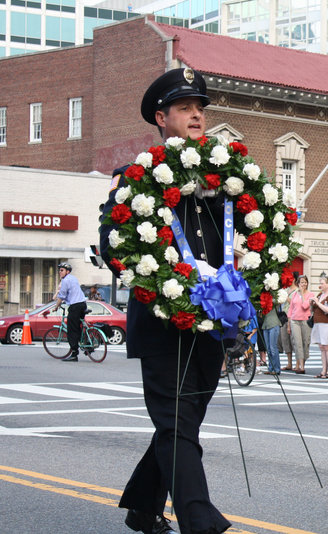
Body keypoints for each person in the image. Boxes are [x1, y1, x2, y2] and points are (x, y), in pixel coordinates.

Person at [99, 68, 230, 534]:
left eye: (200, 107)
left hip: (211, 323)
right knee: (176, 421)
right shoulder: (134, 179)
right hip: (160, 323)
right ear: (161, 116)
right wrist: (164, 285)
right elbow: (115, 247)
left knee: (183, 422)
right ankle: (200, 518)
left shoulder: (225, 181)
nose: (196, 114)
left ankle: (142, 505)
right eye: (184, 108)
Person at [53, 262, 88, 362]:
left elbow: (61, 296)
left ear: (67, 271)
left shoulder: (65, 281)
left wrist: (56, 307)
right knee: (78, 326)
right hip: (82, 303)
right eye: (59, 270)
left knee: (71, 330)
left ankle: (74, 354)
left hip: (75, 306)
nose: (60, 272)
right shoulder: (73, 278)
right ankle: (86, 345)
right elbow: (72, 292)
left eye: (62, 270)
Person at [309, 275, 328, 379]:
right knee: (322, 347)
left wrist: (317, 303)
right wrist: (312, 304)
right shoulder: (320, 294)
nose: (320, 285)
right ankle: (323, 370)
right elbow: (313, 310)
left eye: (322, 283)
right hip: (318, 322)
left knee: (327, 347)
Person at [287, 275, 313, 374]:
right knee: (297, 343)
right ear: (298, 283)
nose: (303, 284)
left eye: (305, 282)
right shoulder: (294, 294)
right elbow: (291, 309)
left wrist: (302, 294)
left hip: (305, 321)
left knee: (305, 343)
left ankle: (303, 362)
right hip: (295, 320)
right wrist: (289, 324)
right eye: (301, 282)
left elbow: (305, 306)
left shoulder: (310, 295)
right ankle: (300, 366)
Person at [279, 276, 297, 372]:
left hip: (293, 316)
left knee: (294, 341)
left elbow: (294, 303)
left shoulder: (297, 291)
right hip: (284, 316)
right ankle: (289, 363)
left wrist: (285, 297)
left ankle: (298, 363)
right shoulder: (285, 290)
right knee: (285, 340)